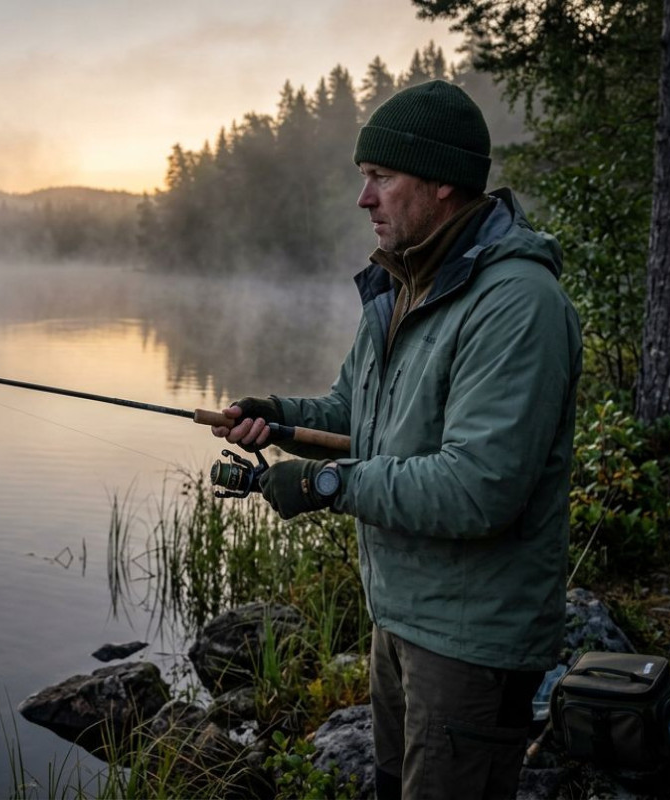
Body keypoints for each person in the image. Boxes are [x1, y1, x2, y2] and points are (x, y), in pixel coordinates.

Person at [213, 80, 582, 799]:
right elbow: (356, 412)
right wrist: (278, 416)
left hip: (472, 639)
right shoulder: (402, 286)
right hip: (400, 615)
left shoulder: (517, 305)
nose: (364, 199)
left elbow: (479, 489)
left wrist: (327, 485)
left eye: (380, 177)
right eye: (362, 179)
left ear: (443, 181)